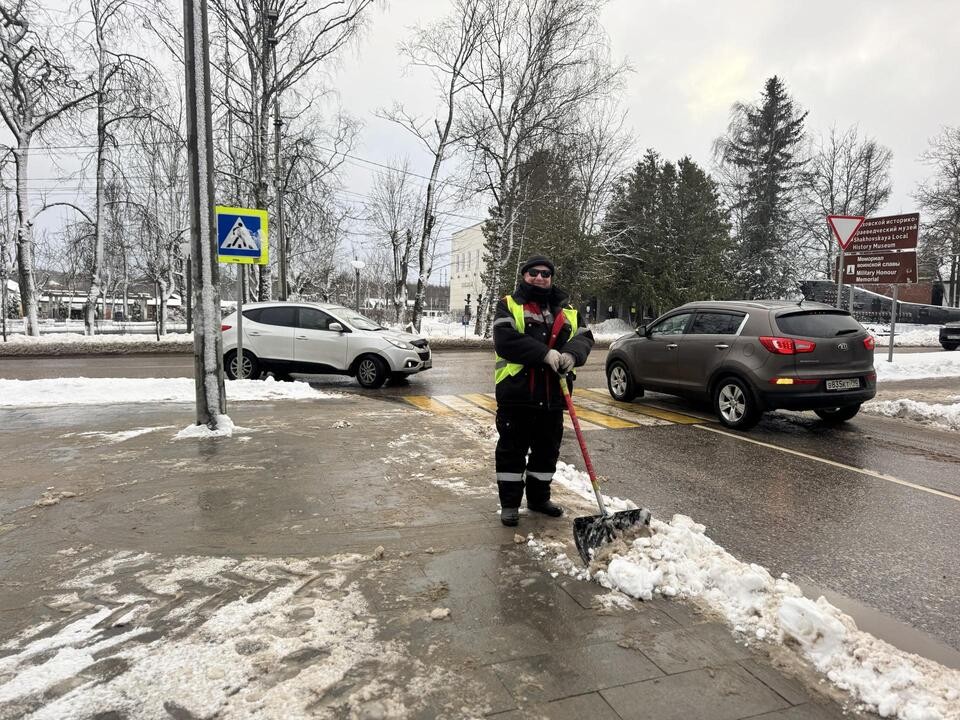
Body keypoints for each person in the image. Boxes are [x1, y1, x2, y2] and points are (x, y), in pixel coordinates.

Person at [492, 255, 594, 527]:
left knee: (546, 453)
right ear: (524, 276)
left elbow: (584, 337)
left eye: (545, 274)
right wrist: (544, 354)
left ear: (551, 278)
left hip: (553, 397)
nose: (539, 277)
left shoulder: (567, 309)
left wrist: (572, 354)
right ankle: (510, 505)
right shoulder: (509, 305)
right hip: (518, 396)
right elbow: (505, 341)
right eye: (533, 273)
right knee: (512, 453)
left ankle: (539, 499)